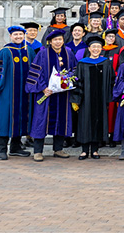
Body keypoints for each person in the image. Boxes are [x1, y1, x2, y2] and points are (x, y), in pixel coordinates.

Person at [25, 29, 78, 162]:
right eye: (55, 40)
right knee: (41, 120)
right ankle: (38, 151)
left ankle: (58, 149)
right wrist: (43, 88)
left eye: (60, 39)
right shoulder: (43, 53)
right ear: (50, 41)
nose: (58, 42)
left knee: (62, 119)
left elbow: (75, 70)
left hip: (62, 95)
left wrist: (68, 80)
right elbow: (35, 72)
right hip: (46, 93)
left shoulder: (69, 53)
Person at [0, 25, 32, 160]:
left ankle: (15, 148)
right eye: (16, 35)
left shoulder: (29, 51)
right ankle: (1, 149)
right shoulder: (5, 52)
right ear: (10, 36)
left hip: (25, 93)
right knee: (4, 120)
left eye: (20, 34)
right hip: (8, 93)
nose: (18, 37)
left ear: (24, 35)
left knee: (20, 119)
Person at [71, 36, 116, 160]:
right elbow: (77, 82)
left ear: (101, 49)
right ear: (89, 49)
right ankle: (84, 150)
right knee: (85, 123)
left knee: (98, 122)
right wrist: (76, 100)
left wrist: (108, 97)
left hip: (101, 99)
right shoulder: (82, 63)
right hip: (86, 99)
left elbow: (111, 81)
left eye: (98, 47)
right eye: (93, 47)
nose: (96, 49)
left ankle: (95, 150)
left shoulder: (106, 63)